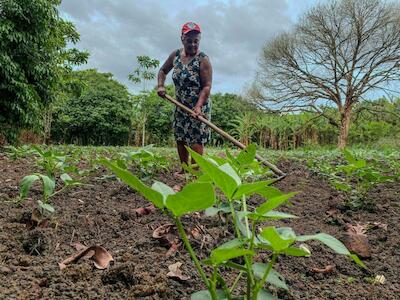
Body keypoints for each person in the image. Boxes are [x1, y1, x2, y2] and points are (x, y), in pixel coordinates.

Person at [157, 21, 212, 178]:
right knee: (180, 137)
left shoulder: (203, 59)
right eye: (189, 41)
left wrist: (199, 107)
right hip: (180, 105)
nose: (193, 44)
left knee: (196, 138)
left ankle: (194, 172)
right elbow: (162, 71)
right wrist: (160, 86)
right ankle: (183, 169)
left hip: (199, 106)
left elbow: (207, 86)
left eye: (196, 41)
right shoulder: (175, 56)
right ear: (182, 39)